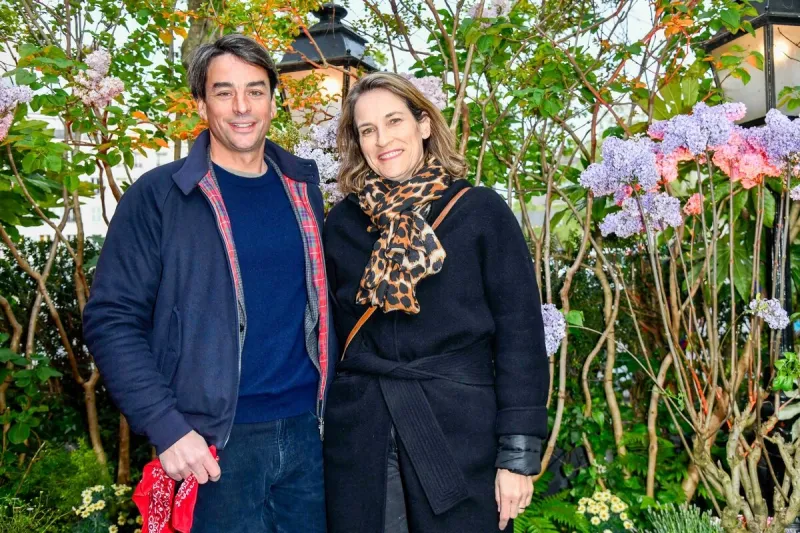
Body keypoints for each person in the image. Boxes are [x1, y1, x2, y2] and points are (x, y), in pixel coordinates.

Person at [83, 33, 333, 532]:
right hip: (213, 445)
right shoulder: (160, 197)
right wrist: (168, 427)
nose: (242, 107)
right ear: (201, 102)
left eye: (256, 90)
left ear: (273, 99)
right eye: (224, 92)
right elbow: (111, 320)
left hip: (309, 437)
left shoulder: (304, 190)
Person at [322, 71, 549, 533]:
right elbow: (325, 334)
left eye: (394, 121)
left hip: (460, 436)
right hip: (362, 439)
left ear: (424, 125)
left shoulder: (479, 212)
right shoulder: (343, 224)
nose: (382, 140)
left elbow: (520, 334)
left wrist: (518, 457)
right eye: (367, 130)